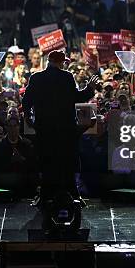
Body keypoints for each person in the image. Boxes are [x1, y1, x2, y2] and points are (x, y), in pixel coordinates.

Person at [22, 49, 99, 203]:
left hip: (44, 130)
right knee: (66, 163)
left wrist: (30, 119)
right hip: (65, 130)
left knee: (47, 163)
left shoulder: (36, 78)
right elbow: (77, 97)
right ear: (60, 62)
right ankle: (72, 194)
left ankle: (45, 195)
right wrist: (90, 88)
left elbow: (26, 101)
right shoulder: (67, 77)